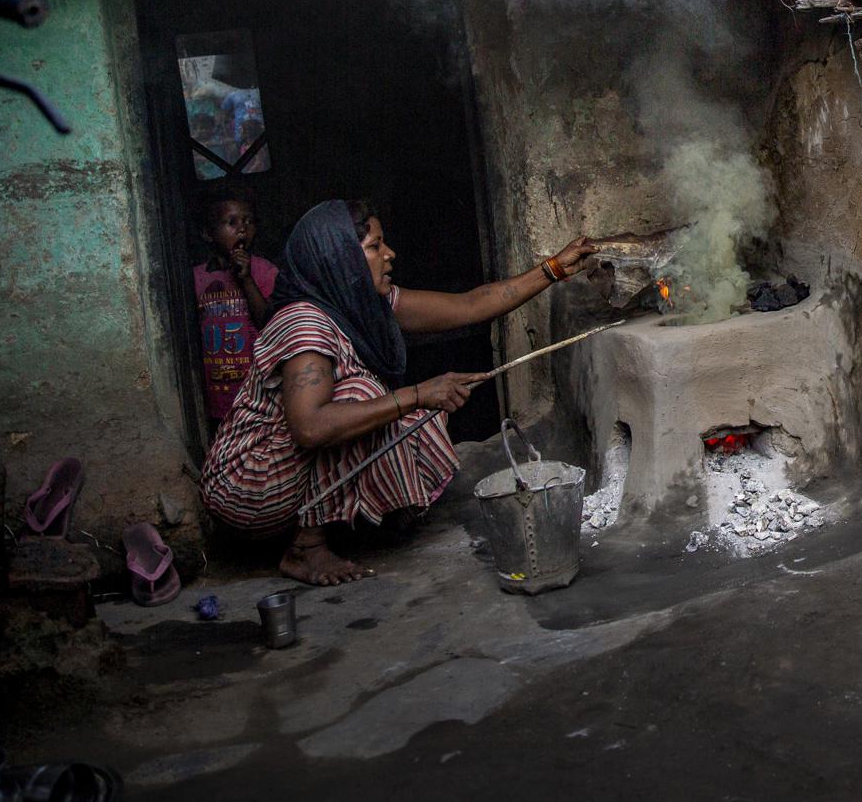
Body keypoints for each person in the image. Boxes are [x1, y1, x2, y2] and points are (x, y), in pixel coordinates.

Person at [201, 199, 596, 585]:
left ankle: (360, 521)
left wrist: (554, 268)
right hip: (246, 485)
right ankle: (307, 546)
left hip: (281, 475)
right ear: (340, 258)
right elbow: (310, 427)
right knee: (363, 395)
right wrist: (421, 393)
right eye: (374, 247)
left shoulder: (360, 301)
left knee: (393, 407)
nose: (389, 254)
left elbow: (469, 305)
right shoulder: (304, 323)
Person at [193, 192, 278, 428]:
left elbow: (269, 323)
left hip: (258, 393)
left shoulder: (264, 271)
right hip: (216, 395)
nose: (242, 229)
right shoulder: (195, 278)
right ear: (208, 234)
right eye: (232, 223)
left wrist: (246, 279)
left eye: (248, 222)